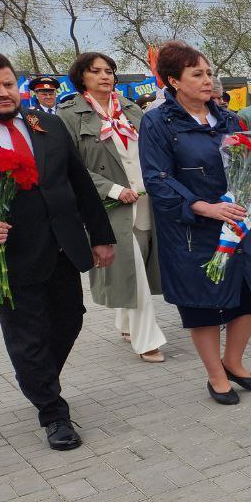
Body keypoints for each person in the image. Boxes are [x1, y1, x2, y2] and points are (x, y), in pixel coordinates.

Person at [0, 50, 115, 450]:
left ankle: (38, 378)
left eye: (8, 83)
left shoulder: (48, 124)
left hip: (62, 247)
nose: (3, 93)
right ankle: (52, 412)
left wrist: (101, 235)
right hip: (10, 257)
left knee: (69, 320)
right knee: (27, 338)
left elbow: (79, 183)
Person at [138, 42, 251, 404]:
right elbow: (157, 178)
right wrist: (202, 207)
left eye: (209, 73)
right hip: (191, 228)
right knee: (203, 307)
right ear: (173, 81)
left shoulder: (228, 119)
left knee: (250, 299)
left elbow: (248, 162)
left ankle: (234, 361)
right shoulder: (158, 122)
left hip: (237, 223)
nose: (208, 80)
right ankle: (216, 376)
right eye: (197, 74)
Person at [59, 51, 165, 364]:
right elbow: (70, 165)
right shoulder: (68, 114)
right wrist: (113, 190)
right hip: (108, 206)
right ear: (82, 77)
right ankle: (148, 339)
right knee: (131, 269)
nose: (105, 76)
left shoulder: (132, 109)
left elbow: (153, 150)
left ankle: (125, 323)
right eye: (96, 71)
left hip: (146, 200)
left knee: (138, 264)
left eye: (109, 71)